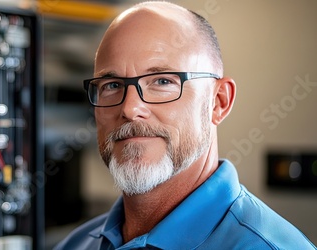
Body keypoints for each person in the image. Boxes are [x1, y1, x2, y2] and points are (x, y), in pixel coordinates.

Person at [54, 1, 316, 249]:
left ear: (218, 102)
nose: (130, 109)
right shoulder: (77, 244)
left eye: (162, 81)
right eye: (112, 85)